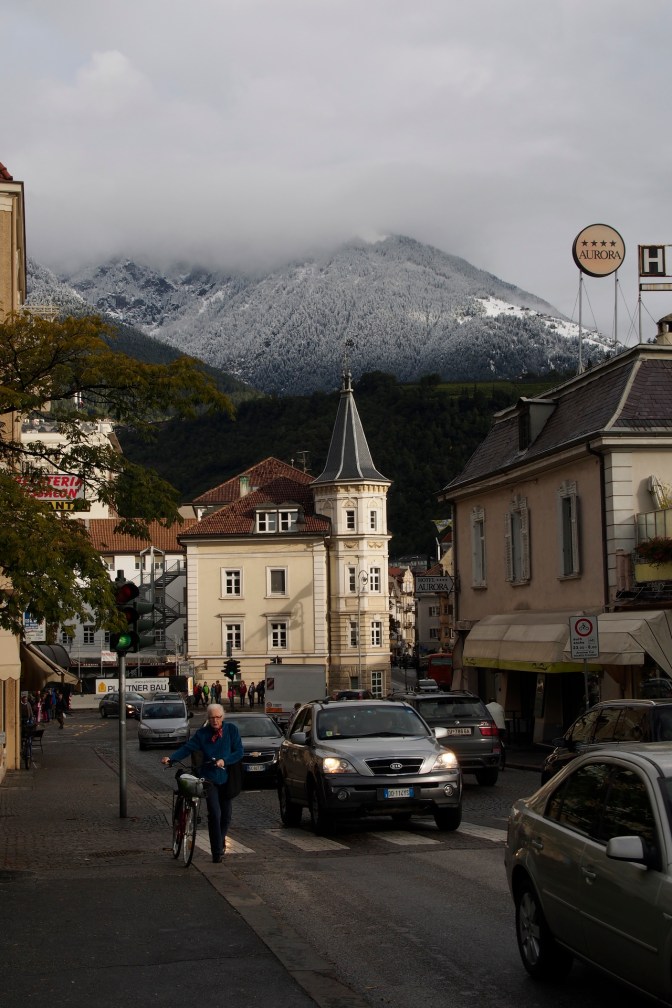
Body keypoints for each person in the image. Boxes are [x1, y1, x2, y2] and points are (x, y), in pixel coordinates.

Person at [161, 703, 244, 863]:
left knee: (226, 816)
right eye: (212, 717)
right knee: (215, 813)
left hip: (227, 778)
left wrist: (224, 760)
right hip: (209, 778)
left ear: (222, 717)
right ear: (208, 718)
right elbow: (187, 748)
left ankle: (220, 841)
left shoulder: (231, 730)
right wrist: (171, 759)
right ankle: (216, 852)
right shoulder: (202, 734)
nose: (215, 720)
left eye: (218, 717)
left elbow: (239, 751)